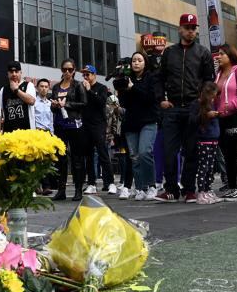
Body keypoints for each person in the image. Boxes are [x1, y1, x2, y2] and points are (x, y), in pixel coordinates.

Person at [154, 13, 214, 202]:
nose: (191, 31)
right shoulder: (169, 53)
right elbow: (159, 78)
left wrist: (201, 101)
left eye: (194, 28)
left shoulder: (203, 52)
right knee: (169, 151)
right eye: (188, 28)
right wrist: (160, 99)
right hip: (171, 108)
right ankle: (171, 189)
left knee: (191, 151)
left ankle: (189, 190)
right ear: (180, 29)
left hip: (192, 108)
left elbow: (209, 80)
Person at [114, 51, 159, 201]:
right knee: (134, 157)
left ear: (145, 62)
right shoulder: (127, 79)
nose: (136, 63)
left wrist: (133, 88)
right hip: (131, 123)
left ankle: (152, 186)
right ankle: (140, 188)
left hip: (148, 121)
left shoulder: (151, 78)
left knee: (145, 152)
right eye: (134, 60)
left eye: (139, 60)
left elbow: (150, 98)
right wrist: (123, 88)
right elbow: (124, 103)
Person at [213, 43, 237, 199]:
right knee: (228, 155)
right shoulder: (218, 74)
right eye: (218, 53)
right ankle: (231, 186)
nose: (219, 56)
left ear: (230, 55)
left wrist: (233, 105)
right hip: (222, 118)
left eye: (222, 53)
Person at [51, 58, 89, 201]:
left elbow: (84, 103)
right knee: (61, 158)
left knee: (77, 158)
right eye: (64, 69)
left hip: (75, 125)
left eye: (70, 70)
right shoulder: (56, 87)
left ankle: (78, 190)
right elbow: (52, 108)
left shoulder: (78, 85)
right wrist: (54, 105)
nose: (67, 72)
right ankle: (61, 190)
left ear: (74, 71)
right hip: (60, 125)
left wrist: (67, 104)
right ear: (61, 70)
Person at [79, 64, 116, 194]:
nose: (85, 77)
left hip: (98, 124)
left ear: (94, 75)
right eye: (84, 74)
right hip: (85, 124)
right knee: (88, 155)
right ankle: (91, 183)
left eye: (88, 74)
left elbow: (101, 102)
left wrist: (89, 90)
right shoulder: (81, 87)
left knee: (103, 152)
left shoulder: (101, 88)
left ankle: (111, 182)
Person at [195, 82, 222, 204]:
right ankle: (201, 192)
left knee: (210, 168)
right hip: (204, 140)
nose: (214, 98)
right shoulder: (200, 105)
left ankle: (207, 190)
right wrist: (206, 115)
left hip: (213, 140)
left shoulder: (213, 105)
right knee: (203, 167)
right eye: (212, 95)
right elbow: (195, 120)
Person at [0, 61, 35, 132]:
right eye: (11, 72)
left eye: (16, 71)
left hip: (27, 130)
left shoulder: (28, 85)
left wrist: (16, 90)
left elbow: (32, 101)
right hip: (9, 132)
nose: (14, 74)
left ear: (21, 72)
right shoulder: (3, 89)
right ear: (8, 74)